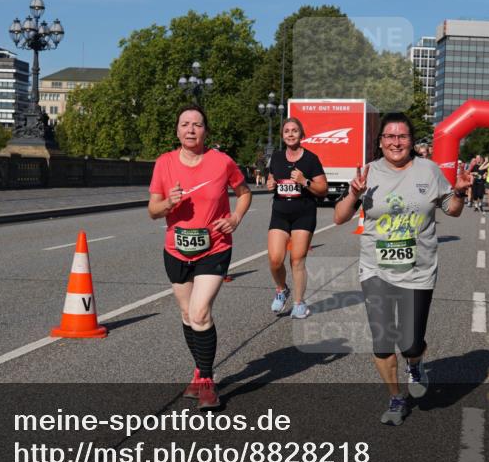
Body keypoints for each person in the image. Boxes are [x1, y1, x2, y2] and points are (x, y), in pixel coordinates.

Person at [333, 112, 471, 425]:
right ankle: (396, 397)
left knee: (410, 342)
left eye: (403, 136)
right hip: (376, 269)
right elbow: (339, 218)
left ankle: (415, 361)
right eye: (390, 137)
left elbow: (452, 210)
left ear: (411, 141)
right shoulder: (368, 172)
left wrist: (460, 191)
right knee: (382, 342)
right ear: (380, 142)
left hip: (418, 269)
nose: (396, 142)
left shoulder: (429, 169)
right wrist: (354, 193)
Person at [148, 105, 253, 410]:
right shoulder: (164, 163)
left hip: (215, 247)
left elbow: (244, 192)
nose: (191, 129)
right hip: (176, 250)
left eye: (197, 124)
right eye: (185, 124)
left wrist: (235, 218)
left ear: (206, 130)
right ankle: (199, 370)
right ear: (177, 130)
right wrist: (169, 202)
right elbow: (152, 210)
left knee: (200, 313)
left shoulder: (222, 162)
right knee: (186, 315)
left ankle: (206, 382)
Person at [265, 118, 329, 318]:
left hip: (304, 213)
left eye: (294, 131)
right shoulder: (276, 157)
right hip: (280, 213)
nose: (290, 134)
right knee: (275, 260)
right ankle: (282, 289)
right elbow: (271, 178)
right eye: (287, 131)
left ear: (302, 135)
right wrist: (270, 184)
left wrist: (304, 181)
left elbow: (323, 189)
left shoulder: (311, 159)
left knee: (297, 259)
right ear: (283, 135)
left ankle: (299, 303)